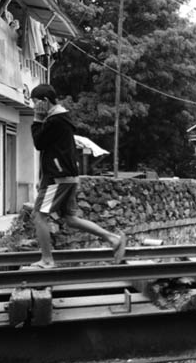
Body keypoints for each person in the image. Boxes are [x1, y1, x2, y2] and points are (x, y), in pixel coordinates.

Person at [24, 84, 125, 268]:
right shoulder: (61, 119)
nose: (33, 107)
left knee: (39, 216)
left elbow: (39, 143)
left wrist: (37, 119)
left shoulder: (55, 120)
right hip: (65, 177)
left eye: (35, 102)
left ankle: (47, 260)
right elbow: (51, 149)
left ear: (45, 101)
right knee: (70, 219)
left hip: (57, 178)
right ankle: (112, 238)